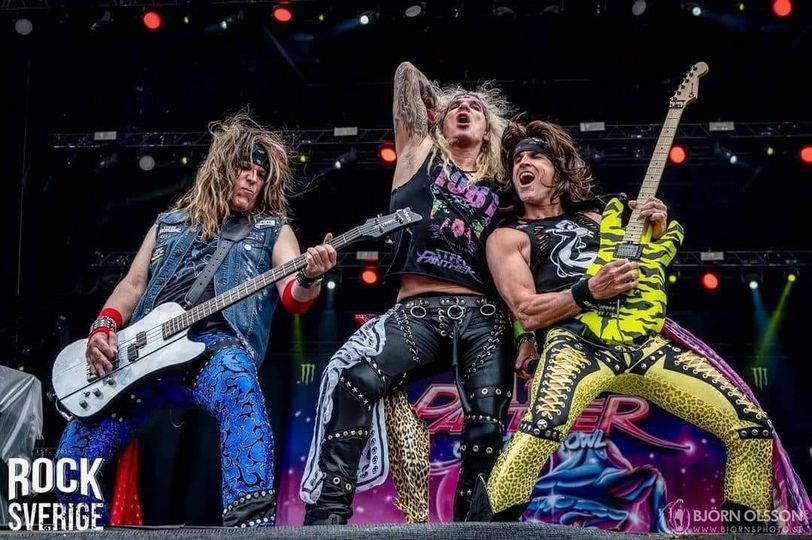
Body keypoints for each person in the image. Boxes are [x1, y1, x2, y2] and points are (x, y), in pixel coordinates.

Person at [466, 118, 785, 532]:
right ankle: (482, 531)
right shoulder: (509, 236)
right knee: (539, 432)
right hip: (575, 343)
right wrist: (588, 292)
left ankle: (750, 535)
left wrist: (656, 228)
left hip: (643, 344)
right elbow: (526, 310)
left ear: (559, 171)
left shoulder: (604, 217)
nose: (522, 164)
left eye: (535, 157)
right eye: (516, 161)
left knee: (752, 427)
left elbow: (647, 269)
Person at [55, 112, 337, 528]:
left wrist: (311, 277)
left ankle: (250, 526)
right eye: (244, 168)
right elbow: (132, 285)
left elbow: (293, 296)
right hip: (141, 355)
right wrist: (104, 327)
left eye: (260, 174)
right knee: (74, 453)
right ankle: (76, 528)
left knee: (240, 391)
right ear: (221, 167)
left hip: (215, 347)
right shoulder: (167, 225)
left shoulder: (273, 231)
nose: (252, 179)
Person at [300, 62, 514, 524]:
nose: (465, 109)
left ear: (488, 130)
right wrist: (438, 100)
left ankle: (474, 531)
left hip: (484, 316)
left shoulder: (502, 183)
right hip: (418, 311)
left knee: (486, 426)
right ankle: (328, 516)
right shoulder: (419, 152)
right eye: (456, 106)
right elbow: (404, 75)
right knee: (356, 379)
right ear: (437, 118)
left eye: (475, 108)